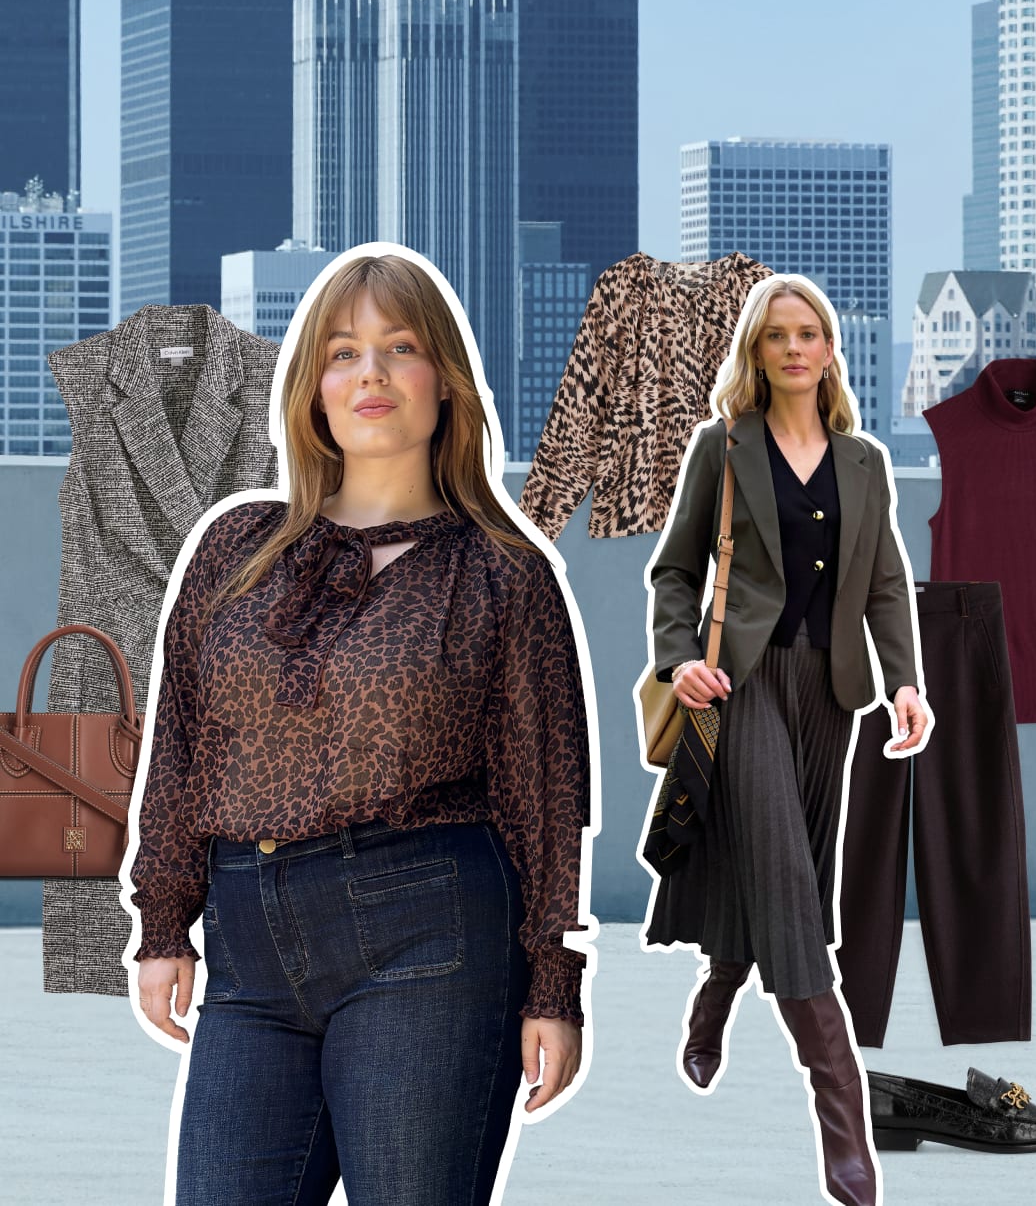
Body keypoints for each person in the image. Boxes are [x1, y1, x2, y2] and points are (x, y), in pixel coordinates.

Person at [128, 249, 592, 1206]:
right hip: (248, 944)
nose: (369, 373)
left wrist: (553, 982)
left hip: (431, 929)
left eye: (400, 347)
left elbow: (546, 791)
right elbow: (178, 741)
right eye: (342, 352)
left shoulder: (503, 573)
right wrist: (163, 919)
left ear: (446, 385)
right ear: (312, 389)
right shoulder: (234, 548)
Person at [642, 274, 930, 1206]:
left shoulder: (863, 461)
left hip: (832, 693)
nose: (796, 348)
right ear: (756, 352)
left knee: (795, 875)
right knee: (783, 872)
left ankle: (720, 987)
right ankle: (842, 1117)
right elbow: (675, 569)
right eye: (778, 336)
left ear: (830, 349)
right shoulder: (721, 450)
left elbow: (885, 582)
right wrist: (677, 658)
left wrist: (904, 684)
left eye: (810, 334)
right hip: (745, 684)